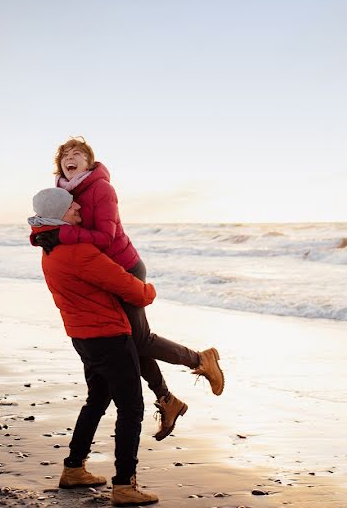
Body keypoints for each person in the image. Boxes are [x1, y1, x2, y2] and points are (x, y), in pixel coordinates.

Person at [32, 137, 224, 441]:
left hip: (124, 267)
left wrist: (63, 234)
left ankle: (200, 360)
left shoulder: (100, 189)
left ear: (89, 163)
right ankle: (168, 399)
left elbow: (106, 237)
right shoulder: (65, 195)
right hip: (100, 270)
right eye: (66, 154)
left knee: (141, 339)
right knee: (129, 342)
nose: (71, 157)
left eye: (78, 153)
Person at [30, 187, 159, 506]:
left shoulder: (49, 250)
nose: (78, 208)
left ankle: (74, 469)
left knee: (97, 400)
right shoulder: (79, 253)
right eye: (71, 206)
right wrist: (149, 289)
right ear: (58, 214)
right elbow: (134, 291)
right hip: (109, 337)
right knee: (131, 408)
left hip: (82, 337)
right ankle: (125, 486)